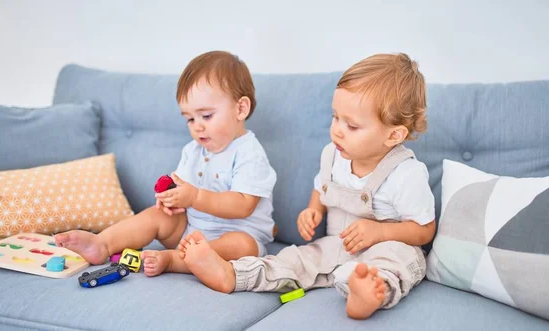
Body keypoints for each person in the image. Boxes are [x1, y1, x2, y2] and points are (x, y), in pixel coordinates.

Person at [180, 53, 436, 320]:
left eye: (351, 125)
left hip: (391, 246)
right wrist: (314, 211)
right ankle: (233, 275)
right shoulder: (333, 155)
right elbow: (322, 190)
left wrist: (380, 232)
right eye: (336, 117)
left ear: (393, 135)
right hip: (338, 246)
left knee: (393, 264)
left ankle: (367, 294)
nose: (337, 130)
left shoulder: (405, 174)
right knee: (296, 260)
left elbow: (425, 230)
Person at [55, 50, 277, 277]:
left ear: (240, 109)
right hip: (190, 230)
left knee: (242, 245)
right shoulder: (193, 150)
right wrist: (171, 199)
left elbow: (243, 205)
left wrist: (195, 197)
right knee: (157, 216)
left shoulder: (249, 153)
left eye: (206, 116)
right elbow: (182, 189)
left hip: (237, 232)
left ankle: (173, 260)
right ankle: (102, 243)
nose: (197, 126)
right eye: (190, 118)